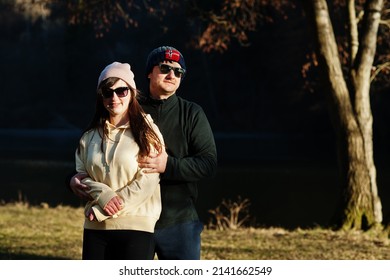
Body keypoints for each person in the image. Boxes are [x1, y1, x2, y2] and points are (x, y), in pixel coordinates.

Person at [70, 46, 217, 260]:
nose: (172, 75)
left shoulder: (191, 113)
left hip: (178, 221)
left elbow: (208, 163)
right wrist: (71, 178)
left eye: (178, 72)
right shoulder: (124, 103)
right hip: (128, 218)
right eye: (165, 68)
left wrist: (169, 165)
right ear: (149, 72)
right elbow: (95, 153)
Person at [75, 61, 164, 260]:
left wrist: (104, 209)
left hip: (137, 227)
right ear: (101, 96)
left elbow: (147, 182)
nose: (114, 97)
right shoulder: (89, 136)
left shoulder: (148, 132)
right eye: (107, 92)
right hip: (95, 228)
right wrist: (103, 196)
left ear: (132, 93)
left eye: (121, 90)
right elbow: (81, 177)